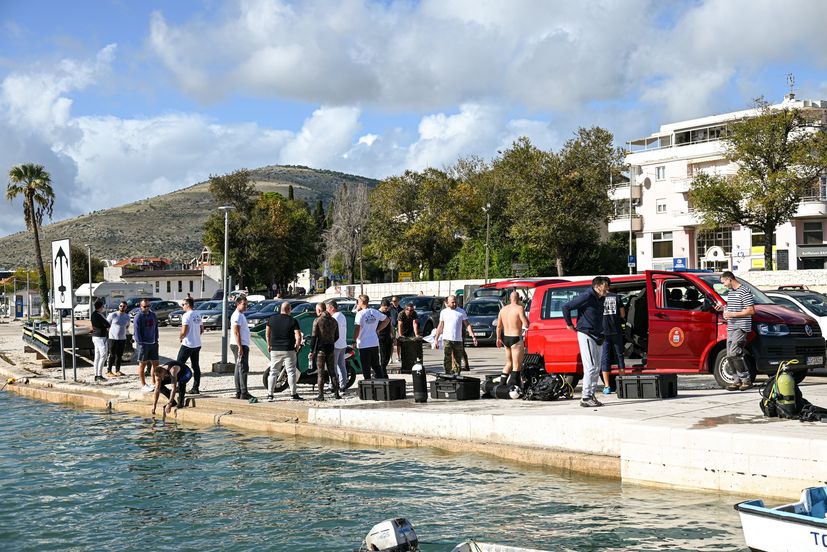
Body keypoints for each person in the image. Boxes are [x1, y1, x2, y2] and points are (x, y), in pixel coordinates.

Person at [562, 276, 610, 408]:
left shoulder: (601, 298)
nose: (608, 289)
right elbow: (566, 307)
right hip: (586, 334)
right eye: (606, 286)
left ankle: (591, 394)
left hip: (598, 335)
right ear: (598, 286)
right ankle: (585, 397)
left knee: (596, 367)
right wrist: (569, 324)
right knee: (590, 367)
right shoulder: (587, 296)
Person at [716, 271, 755, 391]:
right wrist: (723, 308)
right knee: (729, 356)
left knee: (734, 353)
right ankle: (737, 381)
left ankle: (746, 380)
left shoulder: (744, 291)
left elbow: (751, 311)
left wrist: (733, 314)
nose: (724, 285)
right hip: (731, 327)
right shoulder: (731, 292)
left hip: (740, 327)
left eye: (724, 282)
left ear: (729, 279)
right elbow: (733, 307)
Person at [266, 301, 303, 401]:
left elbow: (267, 334)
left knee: (273, 372)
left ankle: (270, 395)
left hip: (275, 350)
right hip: (288, 350)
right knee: (291, 372)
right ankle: (293, 394)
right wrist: (297, 347)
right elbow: (298, 336)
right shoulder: (293, 320)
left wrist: (269, 345)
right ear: (289, 309)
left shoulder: (271, 319)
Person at [433, 295, 477, 375]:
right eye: (452, 302)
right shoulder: (444, 312)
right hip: (447, 339)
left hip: (458, 339)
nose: (454, 304)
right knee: (447, 358)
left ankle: (457, 375)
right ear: (447, 303)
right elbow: (440, 326)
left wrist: (473, 336)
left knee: (458, 359)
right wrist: (436, 339)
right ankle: (447, 374)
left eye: (455, 302)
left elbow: (467, 324)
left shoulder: (461, 312)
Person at [496, 291, 529, 386]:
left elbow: (498, 326)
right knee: (516, 365)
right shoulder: (519, 308)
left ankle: (501, 384)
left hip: (505, 338)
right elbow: (525, 324)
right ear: (518, 299)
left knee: (508, 363)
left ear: (510, 299)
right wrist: (526, 321)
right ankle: (513, 386)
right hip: (515, 338)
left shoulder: (503, 310)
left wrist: (498, 339)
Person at [353, 295, 390, 379]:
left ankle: (367, 383)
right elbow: (387, 320)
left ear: (361, 302)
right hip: (374, 342)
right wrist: (378, 329)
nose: (357, 303)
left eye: (358, 302)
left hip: (363, 344)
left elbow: (357, 327)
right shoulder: (375, 312)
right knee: (376, 365)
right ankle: (381, 382)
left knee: (366, 367)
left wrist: (354, 340)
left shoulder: (360, 314)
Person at [310, 302, 340, 400]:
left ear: (319, 310)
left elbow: (314, 337)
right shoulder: (334, 321)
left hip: (321, 350)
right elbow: (337, 336)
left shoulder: (317, 321)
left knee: (320, 373)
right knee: (332, 372)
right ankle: (336, 393)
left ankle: (321, 395)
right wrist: (331, 342)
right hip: (331, 348)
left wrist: (311, 350)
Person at [600, 280, 626, 395]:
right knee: (619, 356)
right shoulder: (617, 297)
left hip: (603, 332)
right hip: (616, 331)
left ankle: (607, 386)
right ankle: (621, 384)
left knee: (605, 358)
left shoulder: (598, 298)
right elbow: (623, 315)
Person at [177, 297, 204, 395]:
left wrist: (181, 337)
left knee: (178, 364)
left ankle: (179, 386)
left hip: (188, 344)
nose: (182, 306)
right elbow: (202, 329)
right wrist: (195, 335)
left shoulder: (186, 315)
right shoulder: (197, 314)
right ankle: (195, 387)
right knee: (195, 366)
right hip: (197, 344)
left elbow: (184, 330)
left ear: (188, 305)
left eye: (183, 304)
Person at [134, 298, 160, 391]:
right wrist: (140, 343)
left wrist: (156, 339)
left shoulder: (153, 315)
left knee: (156, 364)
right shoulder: (138, 316)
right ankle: (143, 385)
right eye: (145, 306)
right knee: (142, 364)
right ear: (141, 307)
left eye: (148, 306)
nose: (147, 308)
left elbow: (156, 327)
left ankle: (153, 382)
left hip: (153, 343)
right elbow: (136, 332)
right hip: (143, 344)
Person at [231, 296, 254, 400]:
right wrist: (240, 346)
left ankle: (239, 391)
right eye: (244, 304)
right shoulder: (237, 316)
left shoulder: (240, 315)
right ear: (238, 304)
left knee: (238, 367)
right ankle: (243, 392)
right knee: (243, 368)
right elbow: (236, 332)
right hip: (239, 345)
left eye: (246, 304)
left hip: (241, 344)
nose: (245, 306)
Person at [326, 300, 349, 392]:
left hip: (335, 345)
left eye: (327, 308)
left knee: (333, 367)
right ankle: (343, 385)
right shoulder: (342, 316)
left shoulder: (334, 317)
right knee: (341, 366)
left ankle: (333, 385)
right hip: (342, 343)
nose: (327, 310)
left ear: (332, 308)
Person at [106, 301, 129, 377]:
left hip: (122, 339)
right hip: (113, 338)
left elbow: (127, 326)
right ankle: (109, 371)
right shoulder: (113, 315)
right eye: (121, 306)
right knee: (112, 354)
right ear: (119, 306)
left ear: (126, 307)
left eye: (124, 306)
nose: (122, 307)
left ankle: (117, 370)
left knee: (119, 355)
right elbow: (107, 325)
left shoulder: (127, 316)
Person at [90, 300, 110, 382]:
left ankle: (96, 374)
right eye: (103, 307)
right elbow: (107, 324)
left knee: (97, 356)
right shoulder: (98, 315)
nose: (103, 308)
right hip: (100, 337)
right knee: (103, 355)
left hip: (96, 336)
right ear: (100, 307)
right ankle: (99, 375)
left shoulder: (94, 314)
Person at [377, 299, 394, 375]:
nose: (386, 310)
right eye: (385, 308)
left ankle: (381, 371)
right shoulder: (377, 313)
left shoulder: (388, 313)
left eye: (388, 308)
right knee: (383, 357)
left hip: (387, 336)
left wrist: (392, 334)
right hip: (380, 336)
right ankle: (383, 374)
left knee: (388, 356)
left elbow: (390, 324)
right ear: (382, 306)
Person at [389, 296, 402, 363]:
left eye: (395, 301)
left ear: (398, 301)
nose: (394, 302)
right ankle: (390, 358)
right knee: (391, 343)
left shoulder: (401, 309)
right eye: (393, 301)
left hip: (398, 327)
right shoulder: (390, 309)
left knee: (398, 343)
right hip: (391, 327)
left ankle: (398, 357)